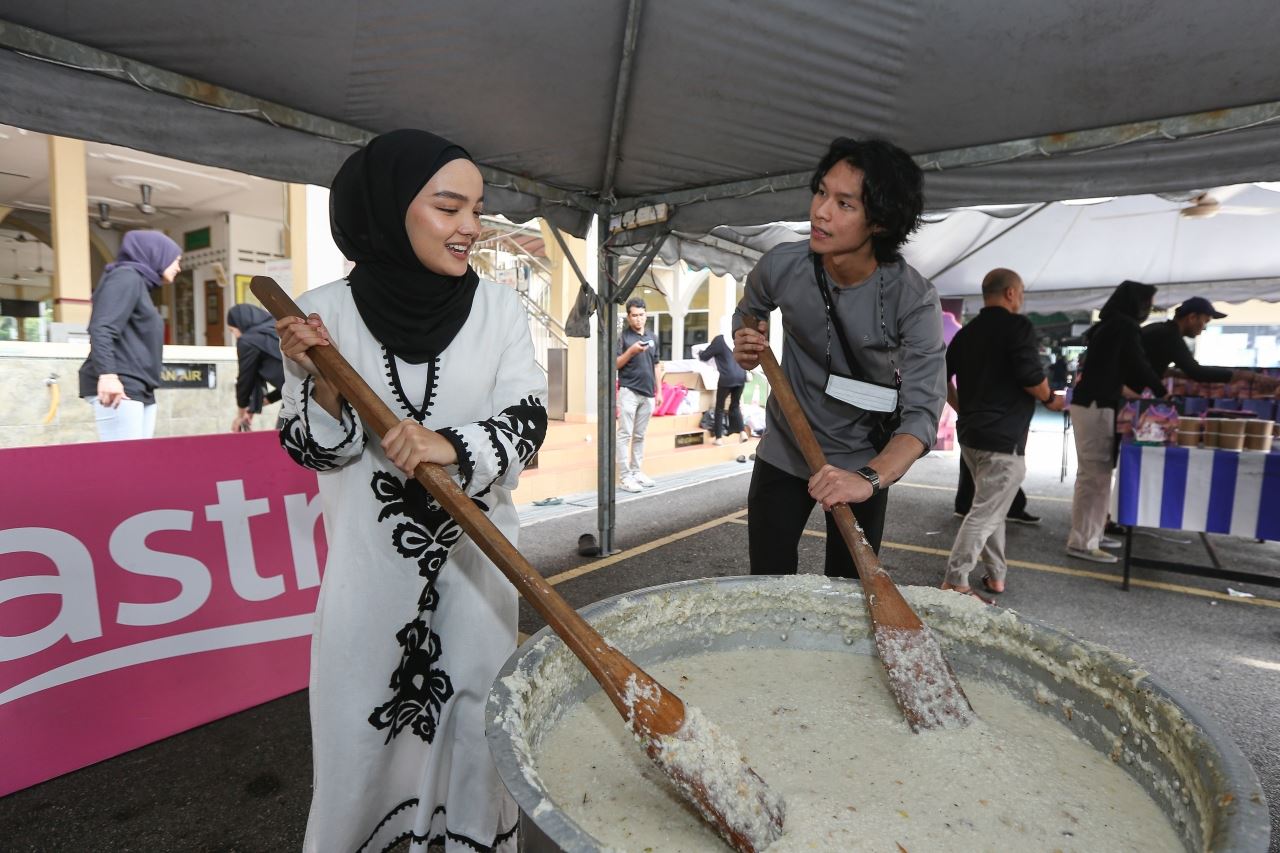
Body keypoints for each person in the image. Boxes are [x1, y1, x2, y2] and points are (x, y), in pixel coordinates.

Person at [275, 130, 546, 853]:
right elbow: (314, 448)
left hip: (479, 577)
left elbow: (527, 421)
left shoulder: (500, 312)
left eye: (477, 209)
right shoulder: (319, 314)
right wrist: (324, 381)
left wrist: (451, 444)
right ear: (390, 209)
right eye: (448, 206)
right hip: (368, 587)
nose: (470, 227)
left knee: (474, 736)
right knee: (360, 740)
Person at [733, 137, 945, 575]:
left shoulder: (914, 299)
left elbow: (923, 415)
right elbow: (750, 309)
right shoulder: (782, 266)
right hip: (784, 452)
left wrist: (868, 478)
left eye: (845, 204)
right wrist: (747, 340)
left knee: (851, 592)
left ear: (880, 224)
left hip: (864, 460)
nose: (820, 211)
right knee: (767, 585)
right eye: (821, 192)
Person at [941, 269, 1064, 596]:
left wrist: (963, 408)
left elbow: (940, 377)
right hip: (1003, 439)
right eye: (1021, 292)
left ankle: (996, 576)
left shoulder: (967, 333)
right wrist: (1051, 399)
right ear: (1011, 293)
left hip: (971, 436)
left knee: (988, 506)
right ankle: (955, 581)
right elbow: (1029, 376)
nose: (1021, 298)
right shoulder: (1018, 326)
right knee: (984, 512)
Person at [1066, 280, 1166, 564]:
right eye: (1146, 304)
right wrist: (1161, 391)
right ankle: (1083, 541)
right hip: (1096, 407)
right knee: (1094, 477)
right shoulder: (1124, 325)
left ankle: (1092, 533)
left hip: (1093, 404)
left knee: (1097, 476)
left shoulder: (1108, 325)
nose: (1147, 310)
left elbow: (1111, 371)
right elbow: (1138, 363)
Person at [78, 230, 182, 441]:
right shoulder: (126, 276)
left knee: (137, 466)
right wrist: (107, 375)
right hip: (121, 383)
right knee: (123, 467)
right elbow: (102, 327)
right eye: (176, 260)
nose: (179, 267)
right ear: (157, 254)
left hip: (138, 384)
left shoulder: (139, 284)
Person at [1141, 296, 1280, 394]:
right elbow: (1197, 372)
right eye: (1205, 321)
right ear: (1192, 317)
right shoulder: (1170, 336)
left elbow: (1153, 366)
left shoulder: (1160, 329)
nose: (1205, 328)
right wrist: (1249, 376)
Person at [615, 296, 661, 492]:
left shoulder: (653, 337)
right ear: (628, 316)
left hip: (648, 393)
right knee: (624, 434)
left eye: (641, 315)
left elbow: (657, 365)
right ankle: (625, 477)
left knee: (640, 435)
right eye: (634, 315)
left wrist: (659, 391)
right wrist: (631, 352)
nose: (638, 319)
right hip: (628, 392)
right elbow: (615, 364)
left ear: (646, 315)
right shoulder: (623, 337)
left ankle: (636, 472)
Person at [225, 303, 284, 431]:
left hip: (302, 397)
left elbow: (245, 381)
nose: (235, 336)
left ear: (240, 323)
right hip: (318, 389)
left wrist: (240, 415)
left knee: (286, 444)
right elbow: (289, 381)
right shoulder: (276, 330)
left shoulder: (248, 341)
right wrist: (252, 408)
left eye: (232, 330)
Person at [698, 333, 748, 444]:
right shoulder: (739, 339)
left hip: (727, 378)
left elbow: (705, 356)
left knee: (719, 408)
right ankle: (742, 432)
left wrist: (699, 352)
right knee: (735, 405)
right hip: (741, 376)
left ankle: (719, 438)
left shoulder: (720, 340)